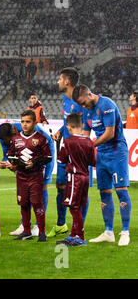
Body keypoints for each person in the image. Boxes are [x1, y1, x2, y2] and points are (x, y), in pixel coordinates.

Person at [72, 84, 132, 246]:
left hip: (116, 152)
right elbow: (85, 134)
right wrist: (82, 147)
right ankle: (108, 232)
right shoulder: (86, 111)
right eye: (81, 105)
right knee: (104, 193)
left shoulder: (107, 105)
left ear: (90, 94)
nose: (84, 106)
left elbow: (109, 133)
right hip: (101, 155)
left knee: (121, 190)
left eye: (84, 102)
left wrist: (92, 145)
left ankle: (125, 232)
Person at [49, 67, 88, 238]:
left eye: (59, 79)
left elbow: (85, 124)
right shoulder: (65, 100)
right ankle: (61, 224)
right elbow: (69, 123)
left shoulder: (80, 101)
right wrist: (60, 131)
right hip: (66, 149)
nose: (57, 81)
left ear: (67, 81)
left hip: (78, 152)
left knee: (79, 191)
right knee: (61, 186)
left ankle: (79, 229)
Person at [0, 121, 55, 237]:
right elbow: (8, 156)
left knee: (43, 186)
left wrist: (35, 163)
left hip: (42, 156)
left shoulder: (32, 130)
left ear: (15, 132)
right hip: (24, 162)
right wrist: (7, 163)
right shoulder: (4, 137)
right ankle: (24, 225)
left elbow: (46, 143)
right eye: (6, 141)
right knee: (24, 190)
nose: (9, 143)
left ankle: (38, 226)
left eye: (10, 139)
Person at [56, 113, 96, 246]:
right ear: (82, 125)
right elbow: (92, 162)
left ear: (68, 127)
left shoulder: (68, 141)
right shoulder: (89, 142)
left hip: (74, 177)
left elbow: (61, 159)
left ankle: (80, 237)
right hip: (85, 177)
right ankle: (73, 235)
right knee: (79, 206)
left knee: (74, 207)